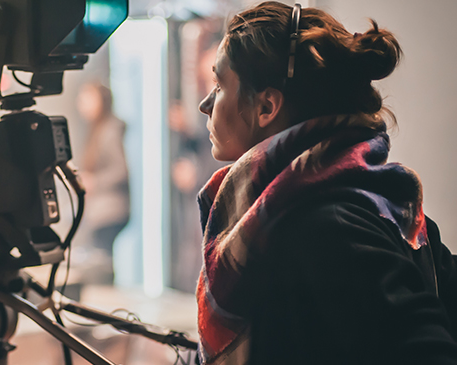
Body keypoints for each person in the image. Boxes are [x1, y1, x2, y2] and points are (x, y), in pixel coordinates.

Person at [194, 2, 457, 364]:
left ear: (266, 107)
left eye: (219, 84)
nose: (204, 106)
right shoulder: (380, 202)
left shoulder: (324, 230)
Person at [75, 82, 130, 285]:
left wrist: (94, 182)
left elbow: (120, 171)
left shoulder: (109, 131)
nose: (82, 104)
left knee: (103, 264)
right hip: (102, 210)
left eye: (87, 98)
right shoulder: (97, 130)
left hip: (110, 211)